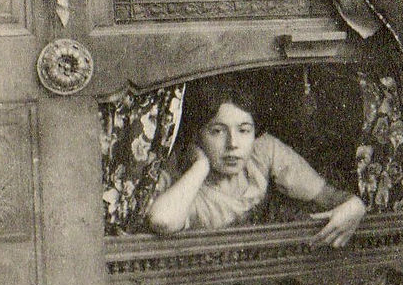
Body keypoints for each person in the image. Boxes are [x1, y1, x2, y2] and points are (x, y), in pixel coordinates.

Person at [146, 81, 367, 248]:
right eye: (217, 131)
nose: (233, 144)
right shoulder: (180, 174)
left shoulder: (262, 150)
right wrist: (200, 167)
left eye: (244, 130)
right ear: (196, 135)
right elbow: (162, 220)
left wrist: (355, 205)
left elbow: (328, 196)